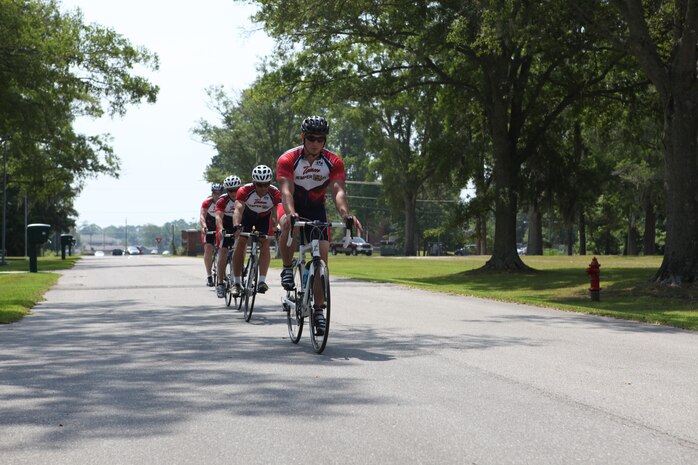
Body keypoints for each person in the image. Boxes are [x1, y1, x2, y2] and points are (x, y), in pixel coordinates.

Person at [276, 115, 362, 334]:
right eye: (312, 138)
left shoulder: (333, 161)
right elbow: (286, 191)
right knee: (288, 223)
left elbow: (338, 191)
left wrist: (346, 215)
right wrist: (291, 213)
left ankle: (318, 311)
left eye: (320, 139)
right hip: (291, 204)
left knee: (321, 258)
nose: (315, 143)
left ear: (324, 141)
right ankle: (287, 268)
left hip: (316, 208)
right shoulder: (288, 159)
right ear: (303, 137)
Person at [229, 165, 281, 297]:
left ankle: (262, 281)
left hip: (264, 218)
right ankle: (236, 283)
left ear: (270, 182)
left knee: (265, 243)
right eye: (259, 184)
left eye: (266, 184)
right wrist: (236, 225)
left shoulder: (274, 193)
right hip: (247, 217)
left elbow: (276, 213)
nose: (263, 188)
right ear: (254, 183)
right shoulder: (244, 190)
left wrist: (278, 226)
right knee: (241, 243)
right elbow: (238, 209)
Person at [214, 175, 242, 298]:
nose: (234, 193)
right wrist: (220, 229)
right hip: (225, 226)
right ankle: (220, 284)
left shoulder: (245, 198)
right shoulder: (222, 200)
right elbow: (218, 216)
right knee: (223, 252)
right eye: (230, 190)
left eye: (236, 189)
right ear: (227, 191)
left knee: (240, 248)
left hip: (239, 225)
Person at [199, 182, 223, 287]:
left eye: (219, 193)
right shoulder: (207, 203)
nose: (217, 195)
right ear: (212, 193)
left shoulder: (224, 202)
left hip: (220, 227)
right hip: (209, 227)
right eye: (214, 192)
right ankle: (209, 276)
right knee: (208, 247)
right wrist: (204, 226)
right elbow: (202, 216)